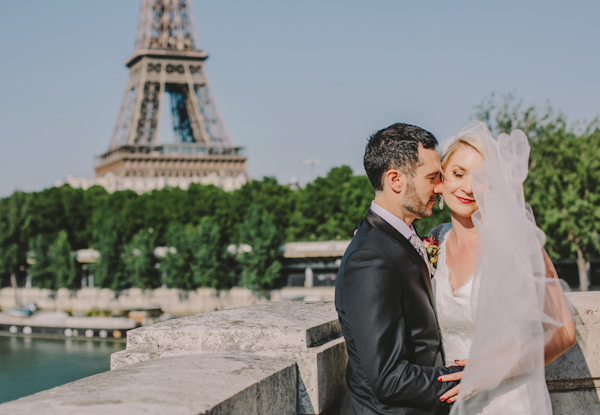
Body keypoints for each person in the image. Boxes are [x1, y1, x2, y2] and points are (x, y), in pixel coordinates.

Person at [432, 121, 576, 414]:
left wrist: (491, 370)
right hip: (453, 403)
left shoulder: (516, 244)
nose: (468, 188)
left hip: (513, 401)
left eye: (482, 178)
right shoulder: (433, 240)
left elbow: (563, 333)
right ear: (442, 177)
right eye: (458, 174)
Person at [335, 123, 464, 415]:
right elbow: (388, 379)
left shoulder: (389, 239)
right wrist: (467, 379)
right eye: (432, 177)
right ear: (396, 180)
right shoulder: (370, 259)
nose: (440, 187)